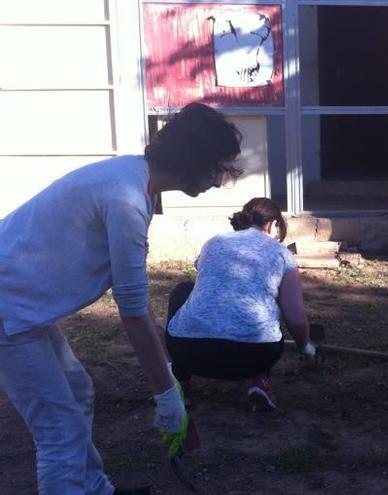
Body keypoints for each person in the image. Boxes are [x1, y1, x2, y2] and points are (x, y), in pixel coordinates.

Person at [0, 102, 242, 494]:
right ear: (193, 160)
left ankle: (95, 490)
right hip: (8, 305)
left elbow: (134, 294)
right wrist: (165, 394)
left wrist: (168, 380)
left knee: (77, 392)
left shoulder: (132, 177)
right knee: (58, 433)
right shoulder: (126, 198)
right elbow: (131, 311)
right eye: (217, 167)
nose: (218, 180)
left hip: (19, 303)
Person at [165, 198, 315, 412]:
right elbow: (296, 318)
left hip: (188, 351)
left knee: (183, 290)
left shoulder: (214, 242)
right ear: (273, 225)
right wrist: (305, 347)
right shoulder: (281, 254)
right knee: (266, 304)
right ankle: (259, 380)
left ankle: (181, 383)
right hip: (253, 356)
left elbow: (203, 271)